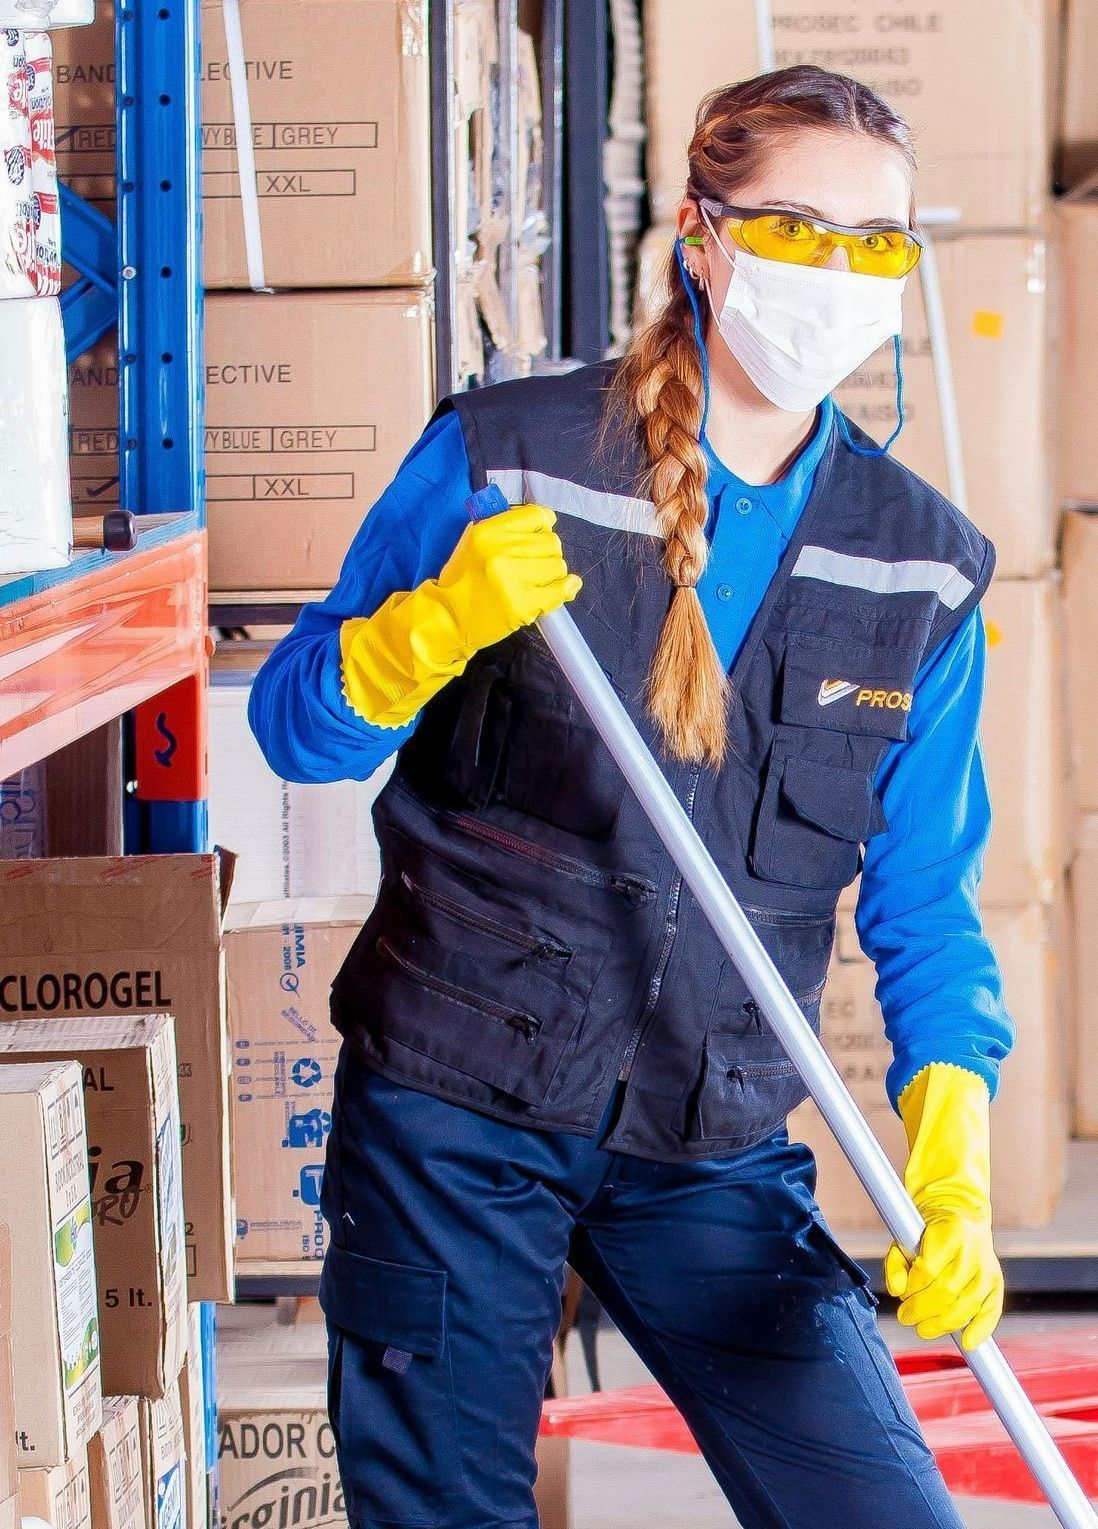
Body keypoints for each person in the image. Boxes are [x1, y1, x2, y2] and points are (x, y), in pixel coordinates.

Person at [248, 65, 1010, 1529]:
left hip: (707, 1134)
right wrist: (419, 632)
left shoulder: (922, 566)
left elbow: (924, 904)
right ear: (701, 235)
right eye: (797, 229)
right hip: (455, 1109)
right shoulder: (508, 457)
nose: (837, 275)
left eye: (877, 243)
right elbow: (297, 732)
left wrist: (953, 1160)